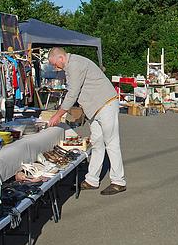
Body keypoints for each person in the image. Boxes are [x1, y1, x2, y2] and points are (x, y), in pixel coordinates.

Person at [45, 47, 127, 195]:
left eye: (54, 63)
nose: (54, 67)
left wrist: (58, 115)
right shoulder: (70, 66)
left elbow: (73, 93)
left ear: (61, 58)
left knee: (111, 143)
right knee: (97, 143)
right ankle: (92, 179)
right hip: (96, 108)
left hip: (105, 104)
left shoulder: (75, 64)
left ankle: (118, 181)